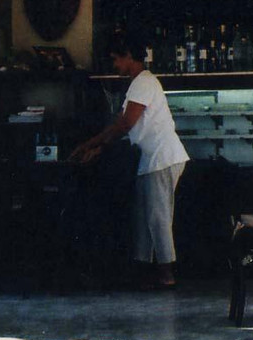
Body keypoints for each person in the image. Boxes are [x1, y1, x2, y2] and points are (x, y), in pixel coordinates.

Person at [69, 31, 189, 289]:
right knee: (144, 216)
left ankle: (167, 275)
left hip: (161, 158)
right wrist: (94, 146)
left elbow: (125, 124)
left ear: (129, 56)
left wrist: (93, 145)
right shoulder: (138, 84)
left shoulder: (144, 82)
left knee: (157, 216)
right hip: (151, 158)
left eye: (116, 59)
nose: (114, 65)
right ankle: (144, 270)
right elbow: (123, 125)